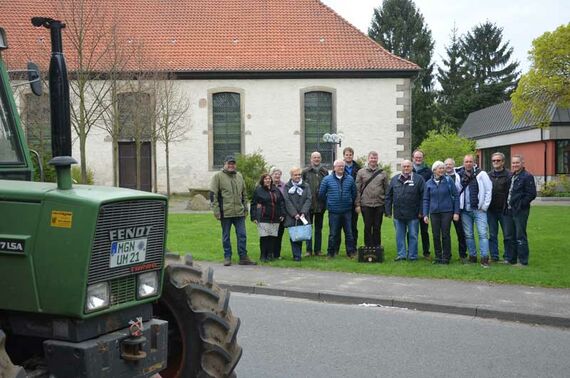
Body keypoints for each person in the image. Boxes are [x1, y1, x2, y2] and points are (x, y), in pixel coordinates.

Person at [209, 155, 257, 266]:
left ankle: (243, 257)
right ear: (224, 164)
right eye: (229, 163)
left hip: (239, 213)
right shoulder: (218, 177)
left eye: (233, 164)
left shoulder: (239, 176)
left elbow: (244, 193)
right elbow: (213, 195)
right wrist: (216, 211)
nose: (231, 165)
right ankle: (227, 257)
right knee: (226, 236)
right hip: (225, 212)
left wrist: (245, 208)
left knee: (242, 235)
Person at [456, 154, 493, 267]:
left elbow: (488, 190)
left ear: (474, 162)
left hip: (479, 209)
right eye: (466, 161)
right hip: (465, 211)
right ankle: (472, 257)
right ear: (463, 162)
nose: (468, 163)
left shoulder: (481, 174)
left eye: (470, 161)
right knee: (468, 235)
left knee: (482, 234)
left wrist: (484, 206)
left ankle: (484, 258)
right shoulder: (459, 175)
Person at [385, 159, 425, 261]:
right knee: (399, 236)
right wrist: (388, 211)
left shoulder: (419, 179)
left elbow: (423, 197)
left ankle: (412, 256)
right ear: (401, 167)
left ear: (412, 167)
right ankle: (401, 255)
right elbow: (388, 196)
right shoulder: (394, 179)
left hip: (414, 214)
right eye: (404, 166)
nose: (406, 168)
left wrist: (421, 211)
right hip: (398, 214)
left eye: (408, 166)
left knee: (413, 235)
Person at [423, 161, 460, 264]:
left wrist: (456, 212)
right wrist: (425, 214)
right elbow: (426, 199)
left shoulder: (448, 181)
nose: (442, 170)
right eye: (440, 168)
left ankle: (446, 257)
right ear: (434, 170)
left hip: (447, 212)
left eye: (443, 168)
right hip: (434, 213)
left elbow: (456, 196)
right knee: (435, 235)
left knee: (445, 234)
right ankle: (438, 257)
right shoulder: (428, 183)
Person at [319, 159, 357, 258]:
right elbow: (321, 194)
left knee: (349, 233)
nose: (341, 168)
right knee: (333, 234)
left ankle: (351, 252)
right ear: (334, 168)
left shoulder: (350, 179)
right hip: (333, 211)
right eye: (339, 166)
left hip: (347, 211)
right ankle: (331, 253)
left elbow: (354, 193)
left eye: (342, 166)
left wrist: (348, 201)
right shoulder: (327, 179)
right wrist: (329, 203)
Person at [506, 155, 537, 266]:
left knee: (520, 236)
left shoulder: (527, 176)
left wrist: (520, 204)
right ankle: (511, 259)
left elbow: (532, 194)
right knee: (510, 236)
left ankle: (523, 261)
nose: (515, 165)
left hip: (520, 211)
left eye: (517, 163)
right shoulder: (512, 175)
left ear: (522, 163)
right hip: (509, 210)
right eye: (513, 163)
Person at [355, 151, 389, 248]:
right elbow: (357, 189)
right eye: (371, 158)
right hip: (366, 204)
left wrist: (386, 206)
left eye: (375, 158)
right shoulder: (361, 172)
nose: (373, 160)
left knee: (377, 227)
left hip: (379, 204)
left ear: (377, 159)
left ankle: (377, 246)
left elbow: (387, 190)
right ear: (368, 159)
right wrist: (357, 204)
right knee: (367, 226)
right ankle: (368, 246)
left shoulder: (383, 173)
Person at [250, 173, 285, 262]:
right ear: (262, 180)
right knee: (264, 237)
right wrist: (253, 216)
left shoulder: (276, 190)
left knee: (273, 237)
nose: (268, 180)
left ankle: (270, 255)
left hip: (275, 217)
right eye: (265, 179)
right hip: (263, 217)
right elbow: (253, 204)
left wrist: (282, 214)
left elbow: (281, 202)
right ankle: (263, 255)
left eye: (269, 179)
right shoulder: (259, 190)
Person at [487, 152, 514, 263]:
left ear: (503, 162)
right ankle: (494, 256)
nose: (496, 162)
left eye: (498, 160)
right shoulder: (488, 175)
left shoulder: (509, 175)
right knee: (492, 235)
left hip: (504, 210)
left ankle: (507, 256)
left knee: (507, 235)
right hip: (491, 210)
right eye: (494, 160)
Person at [302, 151, 329, 257]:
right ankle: (308, 250)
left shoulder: (325, 172)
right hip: (308, 205)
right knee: (308, 228)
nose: (316, 159)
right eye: (314, 157)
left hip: (321, 205)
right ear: (311, 159)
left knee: (319, 229)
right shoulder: (305, 172)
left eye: (318, 157)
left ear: (321, 159)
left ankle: (318, 250)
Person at [283, 167, 312, 262]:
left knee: (302, 234)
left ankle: (300, 253)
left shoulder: (306, 186)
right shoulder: (287, 186)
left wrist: (303, 212)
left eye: (299, 174)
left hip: (304, 215)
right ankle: (296, 255)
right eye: (295, 175)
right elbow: (287, 201)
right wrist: (294, 213)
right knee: (294, 235)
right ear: (291, 176)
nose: (298, 176)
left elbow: (308, 199)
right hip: (292, 215)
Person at [444, 158, 468, 263]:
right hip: (445, 209)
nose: (448, 166)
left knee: (460, 232)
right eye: (446, 164)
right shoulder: (441, 177)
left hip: (457, 208)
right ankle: (446, 255)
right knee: (445, 233)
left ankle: (463, 255)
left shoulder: (460, 176)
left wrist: (457, 211)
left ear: (454, 165)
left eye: (450, 164)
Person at [412, 149, 432, 260]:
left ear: (422, 158)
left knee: (424, 230)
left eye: (420, 157)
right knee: (411, 230)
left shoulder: (428, 171)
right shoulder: (409, 170)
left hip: (424, 204)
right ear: (412, 158)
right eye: (416, 157)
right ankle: (411, 251)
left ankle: (426, 252)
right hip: (411, 205)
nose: (418, 159)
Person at [343, 147, 362, 247]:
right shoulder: (339, 167)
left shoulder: (358, 168)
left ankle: (353, 247)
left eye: (350, 155)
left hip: (354, 200)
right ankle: (336, 249)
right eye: (347, 155)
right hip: (343, 201)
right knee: (342, 227)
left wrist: (358, 203)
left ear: (352, 156)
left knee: (353, 226)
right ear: (344, 156)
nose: (348, 156)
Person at [270, 167, 286, 259]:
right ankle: (270, 253)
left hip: (281, 214)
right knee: (271, 235)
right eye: (275, 174)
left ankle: (277, 254)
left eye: (279, 174)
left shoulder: (284, 186)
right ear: (271, 175)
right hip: (270, 214)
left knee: (279, 235)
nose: (277, 176)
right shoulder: (268, 185)